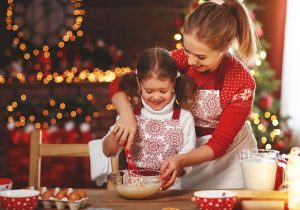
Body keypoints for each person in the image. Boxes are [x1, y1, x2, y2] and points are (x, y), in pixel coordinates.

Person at [109, 0, 259, 190]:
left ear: (225, 46)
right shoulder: (179, 60)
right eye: (187, 50)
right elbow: (119, 84)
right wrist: (126, 116)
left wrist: (181, 159)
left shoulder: (241, 82)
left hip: (230, 160)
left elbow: (219, 144)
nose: (190, 60)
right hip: (187, 151)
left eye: (201, 57)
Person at [103, 47, 197, 188]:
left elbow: (187, 161)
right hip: (134, 190)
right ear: (139, 84)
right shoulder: (130, 114)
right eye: (149, 91)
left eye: (163, 91)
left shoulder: (184, 117)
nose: (156, 97)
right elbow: (108, 151)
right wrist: (116, 134)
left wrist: (177, 165)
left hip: (170, 192)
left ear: (173, 83)